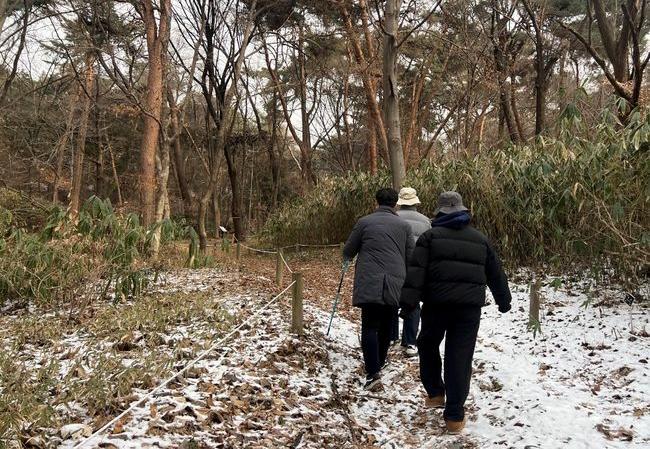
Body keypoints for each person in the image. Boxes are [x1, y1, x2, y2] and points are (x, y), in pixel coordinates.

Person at [401, 191, 511, 434]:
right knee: (459, 357)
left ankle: (435, 393)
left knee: (427, 344)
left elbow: (416, 273)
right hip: (468, 310)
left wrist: (408, 304)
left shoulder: (430, 237)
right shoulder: (480, 239)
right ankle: (454, 416)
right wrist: (504, 301)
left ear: (439, 212)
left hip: (436, 306)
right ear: (463, 210)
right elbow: (496, 273)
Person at [343, 188, 414, 390]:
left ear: (377, 202)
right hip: (395, 280)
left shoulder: (364, 222)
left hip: (369, 279)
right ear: (395, 204)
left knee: (369, 326)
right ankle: (380, 362)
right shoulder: (404, 226)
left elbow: (348, 250)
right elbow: (411, 257)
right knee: (386, 325)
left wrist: (348, 257)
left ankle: (372, 372)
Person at [394, 187, 431, 357]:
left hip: (396, 264)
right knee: (413, 302)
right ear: (415, 202)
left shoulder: (394, 218)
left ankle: (392, 337)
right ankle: (410, 342)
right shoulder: (425, 221)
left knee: (392, 301)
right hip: (417, 267)